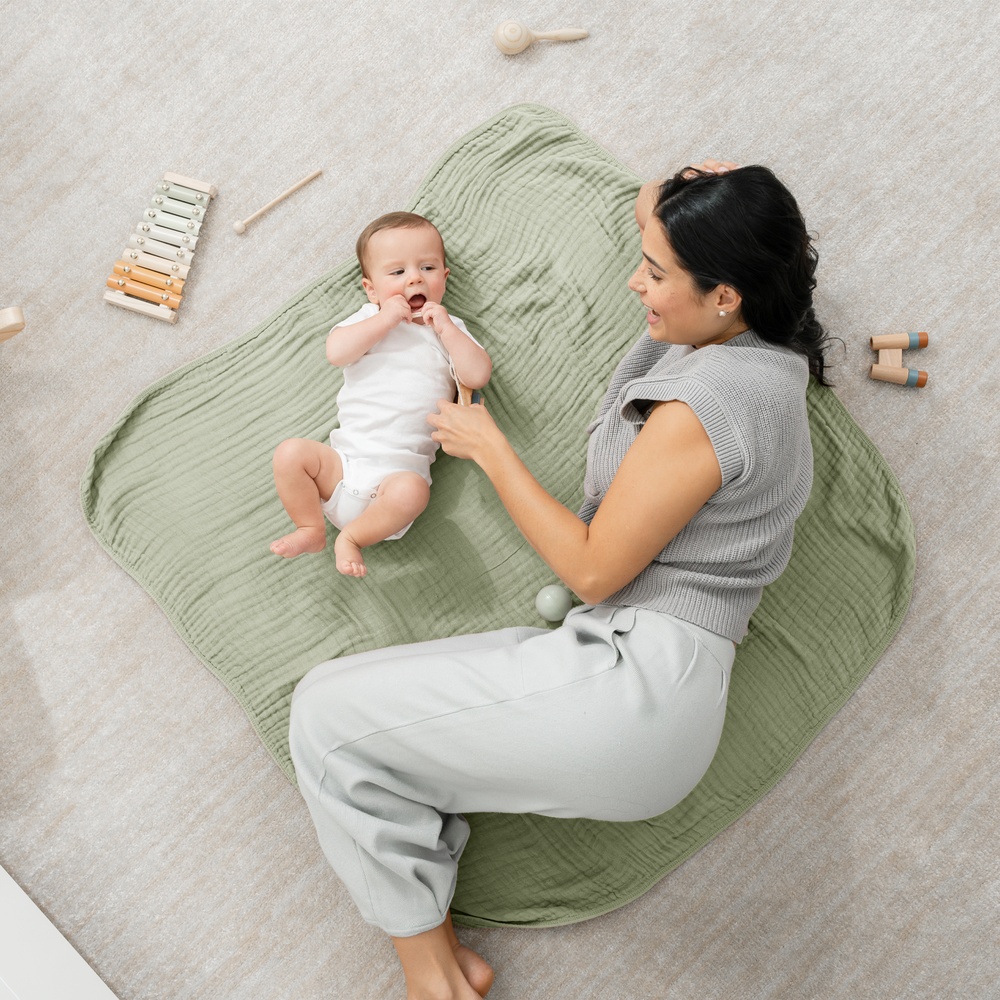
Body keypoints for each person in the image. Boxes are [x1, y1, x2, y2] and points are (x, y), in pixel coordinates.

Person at [288, 161, 829, 999]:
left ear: (724, 292)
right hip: (643, 686)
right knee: (342, 704)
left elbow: (592, 567)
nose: (633, 281)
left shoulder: (709, 403)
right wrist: (693, 185)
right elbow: (683, 226)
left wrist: (494, 453)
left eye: (653, 272)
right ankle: (443, 955)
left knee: (324, 718)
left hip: (630, 690)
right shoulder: (759, 353)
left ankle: (430, 981)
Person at [269, 211, 492, 577]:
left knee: (415, 491)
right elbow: (336, 352)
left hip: (396, 483)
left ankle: (352, 538)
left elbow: (477, 374)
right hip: (342, 468)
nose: (415, 278)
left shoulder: (449, 330)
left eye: (428, 268)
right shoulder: (368, 318)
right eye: (397, 272)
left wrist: (448, 329)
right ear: (371, 289)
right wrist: (385, 319)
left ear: (445, 279)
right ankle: (310, 528)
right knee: (290, 454)